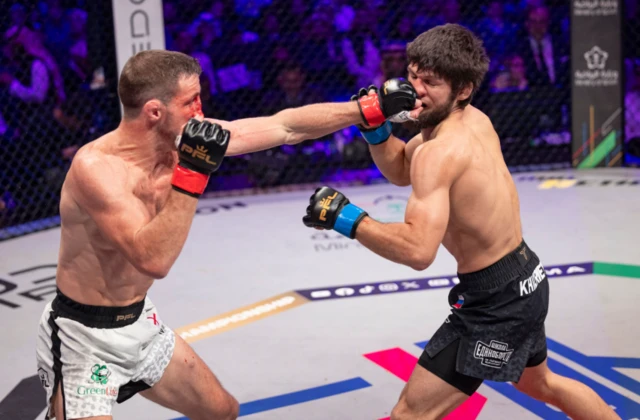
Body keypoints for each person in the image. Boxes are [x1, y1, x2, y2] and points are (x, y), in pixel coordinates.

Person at [34, 49, 419, 420]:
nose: (201, 111)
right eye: (191, 101)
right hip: (83, 338)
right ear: (155, 111)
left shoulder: (184, 140)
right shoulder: (98, 169)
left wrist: (364, 109)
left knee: (222, 411)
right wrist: (192, 174)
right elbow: (152, 258)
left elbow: (287, 126)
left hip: (138, 322)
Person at [301, 24, 620, 420]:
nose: (414, 89)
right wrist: (377, 130)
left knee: (410, 414)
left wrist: (347, 218)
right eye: (413, 75)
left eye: (430, 82)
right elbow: (402, 168)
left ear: (463, 88)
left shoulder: (443, 150)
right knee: (542, 385)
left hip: (497, 302)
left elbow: (418, 251)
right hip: (525, 278)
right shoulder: (467, 121)